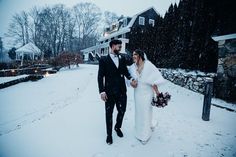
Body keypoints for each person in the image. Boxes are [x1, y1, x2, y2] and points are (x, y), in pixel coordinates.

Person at [97, 39, 137, 145]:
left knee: (122, 111)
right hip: (109, 92)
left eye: (120, 46)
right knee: (109, 114)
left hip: (122, 91)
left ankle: (117, 127)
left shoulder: (122, 58)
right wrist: (102, 91)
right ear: (112, 46)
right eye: (118, 46)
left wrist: (131, 79)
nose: (120, 48)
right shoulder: (103, 60)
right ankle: (109, 135)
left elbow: (125, 72)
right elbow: (100, 76)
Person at [129, 49, 165, 144]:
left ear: (140, 55)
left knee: (145, 112)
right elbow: (129, 79)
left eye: (135, 54)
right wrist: (132, 83)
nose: (133, 56)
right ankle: (139, 129)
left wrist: (157, 93)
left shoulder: (148, 65)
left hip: (147, 93)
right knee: (139, 112)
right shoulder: (132, 67)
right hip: (137, 93)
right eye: (133, 55)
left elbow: (154, 81)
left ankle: (144, 136)